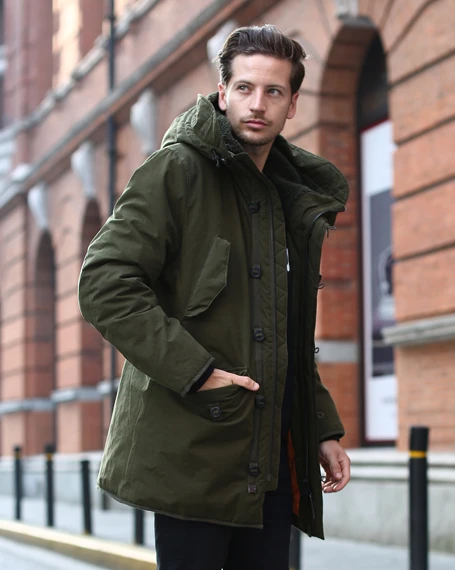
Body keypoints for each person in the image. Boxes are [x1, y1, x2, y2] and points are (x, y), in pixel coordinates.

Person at [78, 24, 351, 570]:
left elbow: (285, 328)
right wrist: (197, 371)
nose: (258, 104)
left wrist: (319, 425)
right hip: (192, 452)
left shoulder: (286, 197)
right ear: (223, 92)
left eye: (274, 91)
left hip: (269, 458)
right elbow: (105, 281)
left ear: (293, 103)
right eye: (245, 88)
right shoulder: (176, 170)